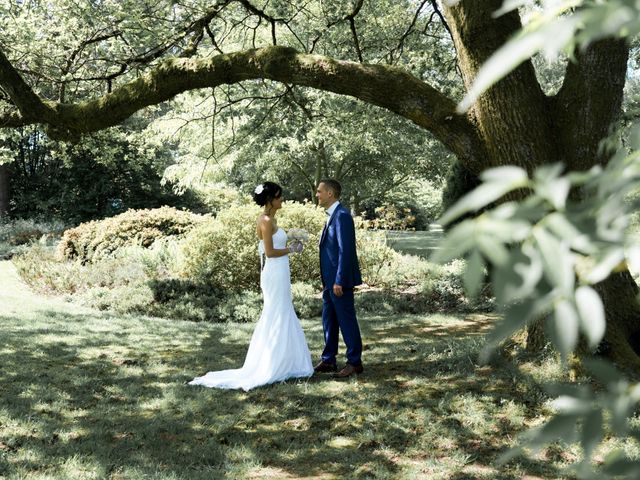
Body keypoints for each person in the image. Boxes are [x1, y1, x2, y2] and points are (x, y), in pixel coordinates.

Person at [189, 182, 314, 391]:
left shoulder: (272, 219)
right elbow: (271, 252)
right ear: (270, 200)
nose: (282, 200)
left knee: (283, 311)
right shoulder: (265, 220)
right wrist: (291, 249)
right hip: (274, 273)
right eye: (279, 196)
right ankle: (273, 363)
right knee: (276, 313)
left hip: (280, 272)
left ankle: (288, 361)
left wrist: (290, 239)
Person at [314, 179, 364, 378]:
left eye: (319, 191)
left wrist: (340, 280)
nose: (316, 194)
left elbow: (346, 251)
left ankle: (354, 362)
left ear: (330, 194)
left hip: (338, 281)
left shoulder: (342, 216)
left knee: (346, 320)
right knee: (329, 320)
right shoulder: (331, 215)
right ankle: (328, 360)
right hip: (329, 280)